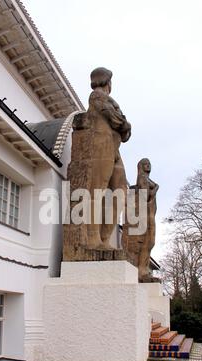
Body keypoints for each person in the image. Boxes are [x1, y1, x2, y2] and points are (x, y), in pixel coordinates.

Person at [85, 67, 131, 249]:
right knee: (98, 190)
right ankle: (93, 239)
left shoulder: (108, 100)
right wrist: (125, 123)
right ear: (106, 81)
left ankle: (104, 238)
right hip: (101, 142)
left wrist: (124, 124)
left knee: (120, 189)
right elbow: (116, 119)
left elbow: (124, 131)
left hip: (114, 147)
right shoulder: (96, 96)